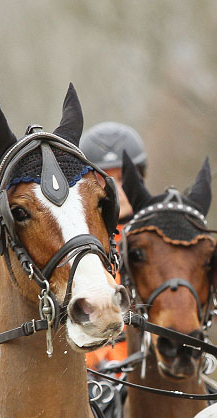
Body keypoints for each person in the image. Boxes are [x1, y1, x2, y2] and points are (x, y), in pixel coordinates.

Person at [79, 122, 148, 368]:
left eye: (124, 178)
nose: (117, 190)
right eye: (104, 180)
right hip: (95, 374)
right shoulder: (77, 247)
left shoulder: (156, 243)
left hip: (148, 371)